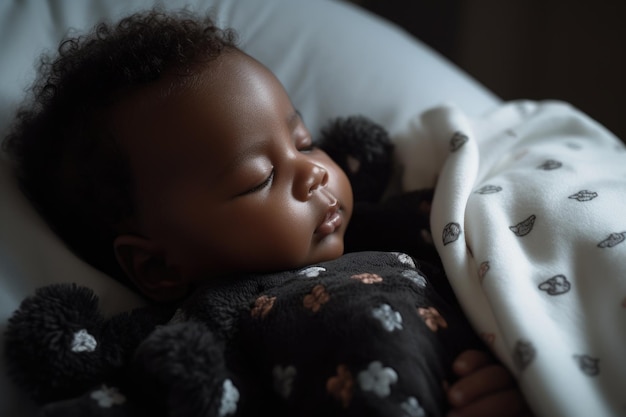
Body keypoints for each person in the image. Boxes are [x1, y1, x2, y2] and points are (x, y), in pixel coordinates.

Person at [2, 9, 532, 417]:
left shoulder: (403, 231)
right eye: (260, 178)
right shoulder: (202, 341)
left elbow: (511, 281)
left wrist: (514, 385)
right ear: (159, 268)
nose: (313, 173)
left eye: (304, 143)